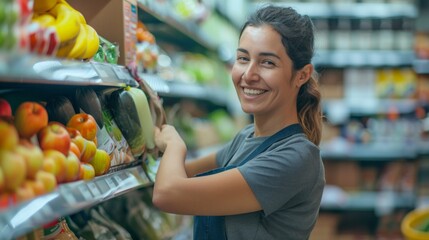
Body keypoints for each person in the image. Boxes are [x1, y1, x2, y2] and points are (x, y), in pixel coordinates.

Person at [152, 4, 325, 240]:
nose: (248, 75)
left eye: (267, 63)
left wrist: (174, 143)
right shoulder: (245, 138)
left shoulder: (297, 158)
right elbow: (179, 171)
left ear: (302, 75)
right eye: (243, 58)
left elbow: (168, 193)